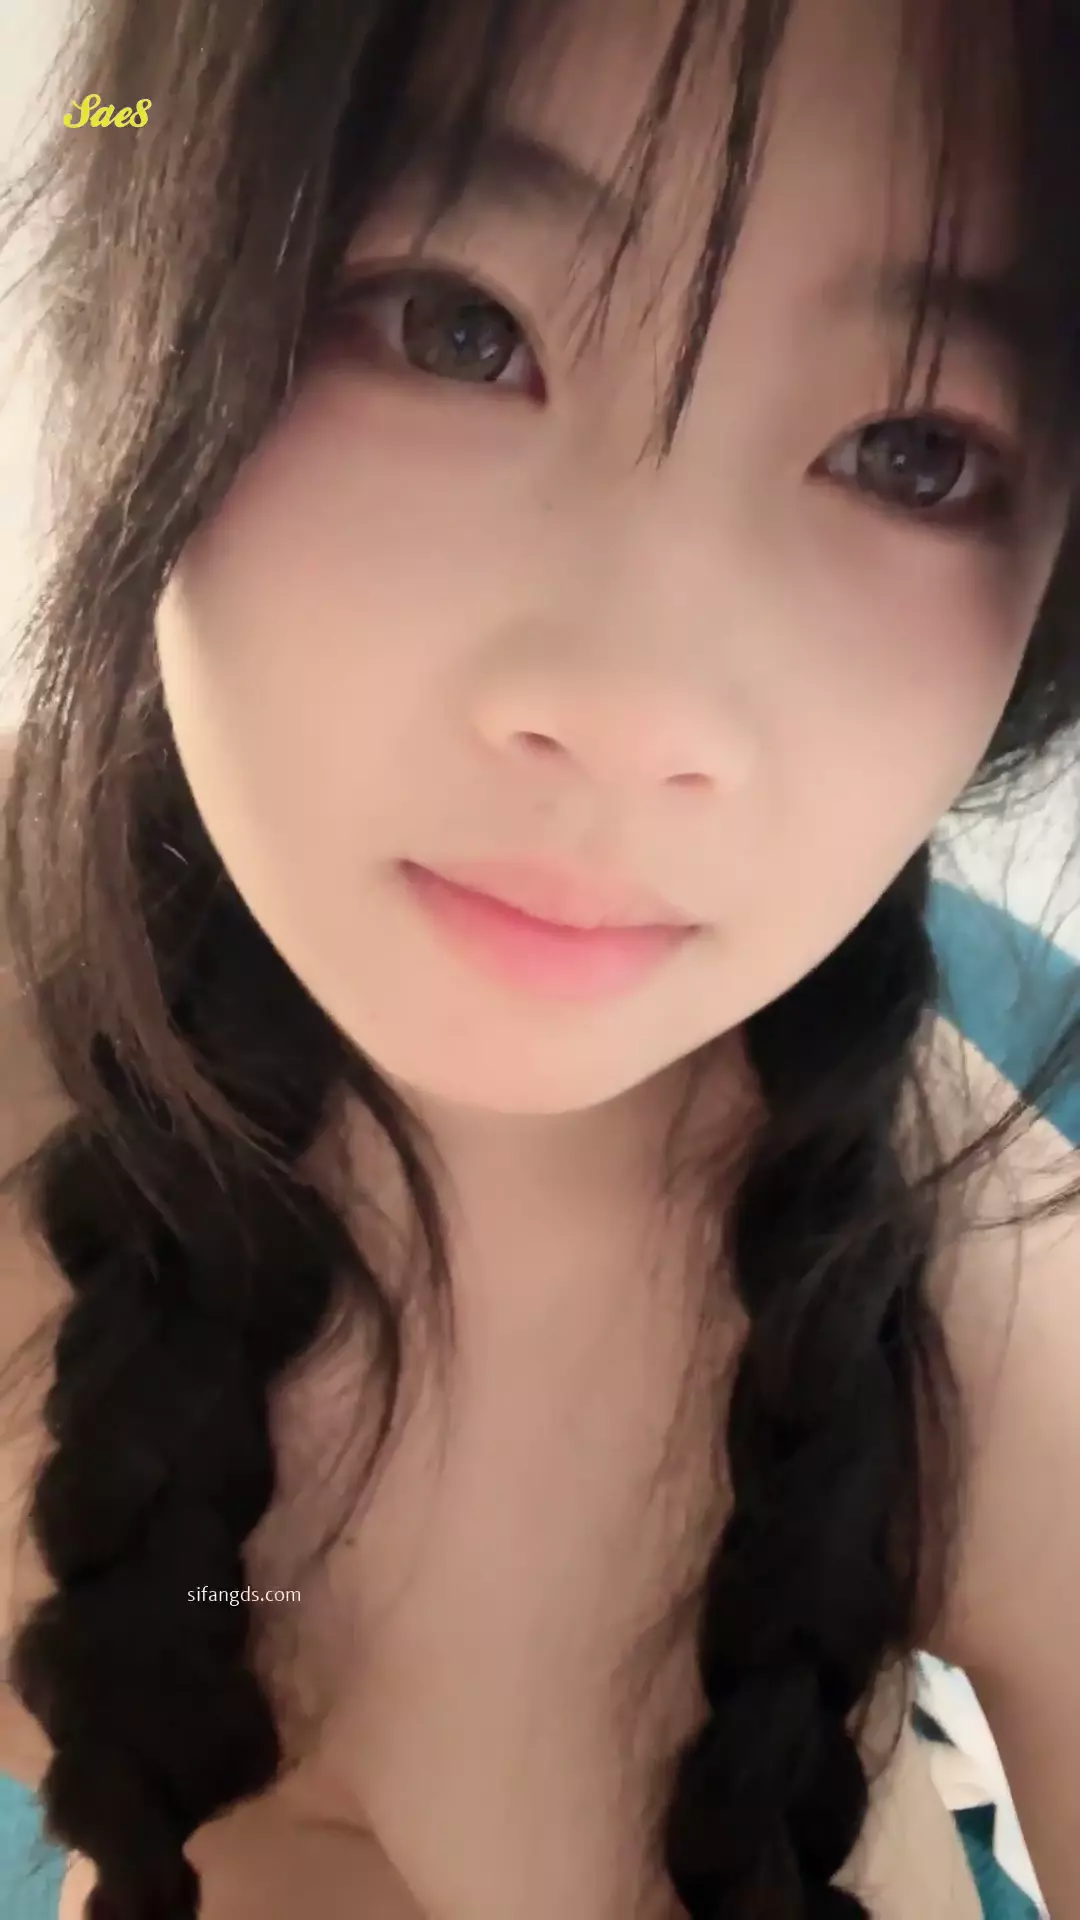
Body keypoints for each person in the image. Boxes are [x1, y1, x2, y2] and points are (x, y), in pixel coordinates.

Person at [0, 0, 1078, 1915]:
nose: (633, 708)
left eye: (912, 453)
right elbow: (108, 108)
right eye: (455, 327)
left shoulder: (980, 1313)